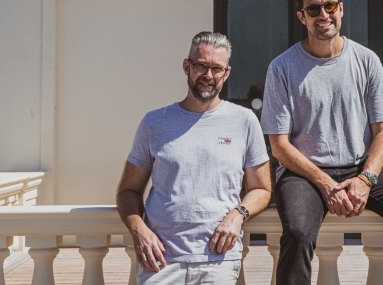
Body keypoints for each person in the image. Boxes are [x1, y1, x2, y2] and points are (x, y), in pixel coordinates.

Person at [260, 0, 383, 284]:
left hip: (361, 167)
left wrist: (366, 179)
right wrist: (326, 184)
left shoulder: (367, 60)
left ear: (341, 9)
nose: (323, 15)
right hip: (304, 173)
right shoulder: (282, 67)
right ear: (302, 16)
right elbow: (279, 146)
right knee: (299, 232)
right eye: (314, 9)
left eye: (330, 6)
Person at [116, 31, 272, 285]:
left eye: (216, 69)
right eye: (201, 66)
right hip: (161, 261)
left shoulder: (244, 121)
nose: (208, 76)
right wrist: (139, 231)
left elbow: (262, 189)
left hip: (219, 260)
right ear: (187, 66)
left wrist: (238, 215)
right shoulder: (154, 123)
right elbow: (128, 191)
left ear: (226, 73)